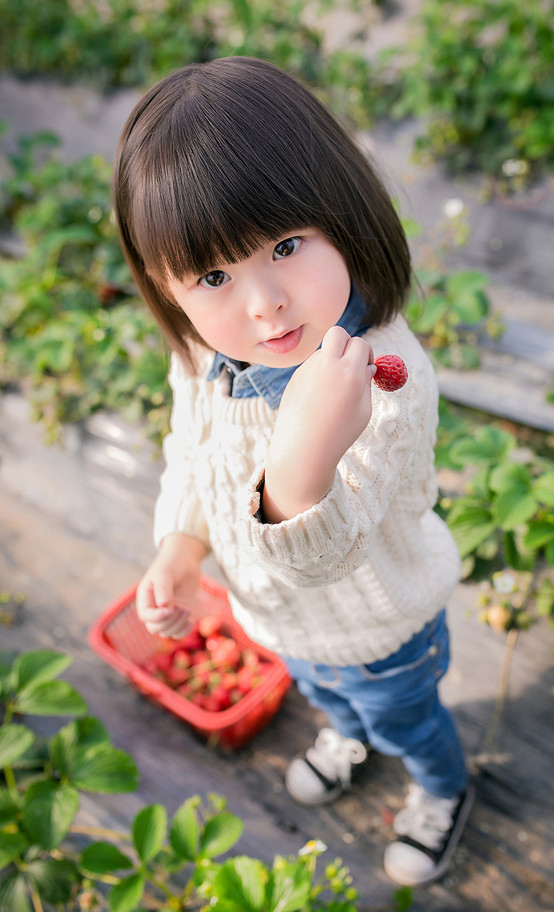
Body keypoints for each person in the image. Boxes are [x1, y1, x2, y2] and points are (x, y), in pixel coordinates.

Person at [112, 55, 473, 888]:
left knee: (408, 723)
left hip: (383, 634)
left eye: (284, 244)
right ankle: (345, 732)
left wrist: (303, 458)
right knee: (329, 698)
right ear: (169, 289)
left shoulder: (383, 377)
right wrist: (180, 545)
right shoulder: (208, 349)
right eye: (212, 275)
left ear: (341, 214)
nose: (265, 301)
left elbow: (326, 554)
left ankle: (442, 789)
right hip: (280, 628)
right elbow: (193, 449)